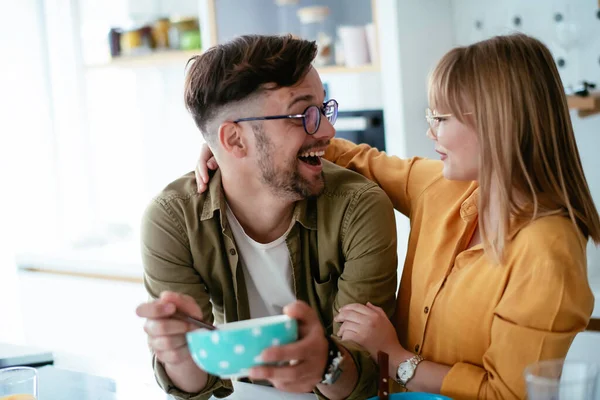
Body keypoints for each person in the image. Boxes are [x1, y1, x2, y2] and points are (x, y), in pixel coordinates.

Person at [195, 33, 599, 399]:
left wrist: (397, 356)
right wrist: (239, 146)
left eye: (441, 118)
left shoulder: (548, 251)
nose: (431, 132)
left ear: (498, 122)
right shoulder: (442, 188)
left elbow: (510, 396)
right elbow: (356, 158)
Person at [135, 34, 398, 400]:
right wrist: (180, 354)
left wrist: (325, 361)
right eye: (302, 114)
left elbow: (370, 376)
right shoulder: (172, 220)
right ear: (235, 141)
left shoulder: (358, 208)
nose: (327, 130)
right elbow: (195, 387)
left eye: (323, 109)